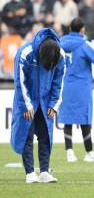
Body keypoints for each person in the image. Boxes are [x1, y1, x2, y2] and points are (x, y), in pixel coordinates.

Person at [11, 28, 66, 183]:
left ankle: (44, 172)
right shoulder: (25, 52)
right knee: (26, 136)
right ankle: (29, 173)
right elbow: (19, 81)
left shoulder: (60, 55)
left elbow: (59, 82)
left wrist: (54, 104)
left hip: (46, 102)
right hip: (28, 101)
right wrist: (26, 105)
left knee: (45, 137)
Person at [58, 18, 94, 163]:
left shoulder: (60, 43)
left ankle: (69, 152)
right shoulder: (84, 44)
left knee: (67, 118)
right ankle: (89, 152)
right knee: (85, 118)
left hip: (65, 84)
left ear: (70, 28)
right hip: (82, 86)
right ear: (82, 30)